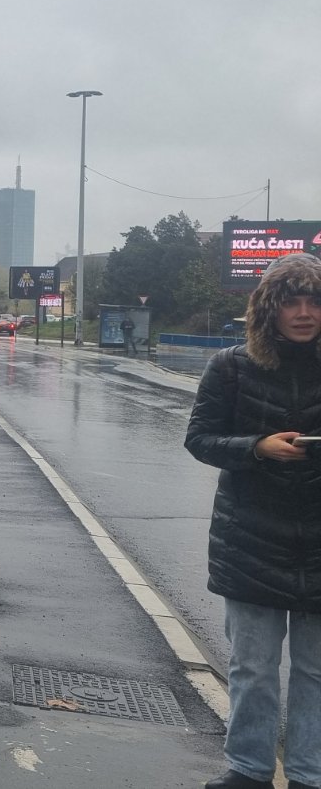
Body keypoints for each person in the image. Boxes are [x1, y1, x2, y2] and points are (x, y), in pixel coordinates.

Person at [185, 253, 321, 789]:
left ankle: (310, 774)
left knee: (317, 674)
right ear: (270, 308)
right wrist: (256, 447)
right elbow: (199, 438)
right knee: (254, 670)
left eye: (314, 301)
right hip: (249, 539)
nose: (305, 312)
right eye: (293, 301)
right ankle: (248, 770)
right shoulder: (230, 366)